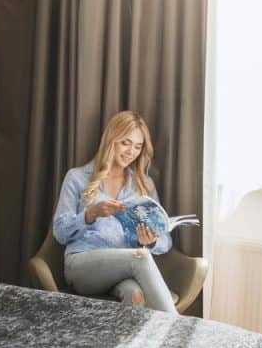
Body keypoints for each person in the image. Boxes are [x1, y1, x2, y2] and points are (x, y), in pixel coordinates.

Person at [52, 110, 177, 313]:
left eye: (138, 146)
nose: (131, 152)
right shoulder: (77, 177)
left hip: (123, 268)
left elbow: (165, 241)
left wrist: (150, 241)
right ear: (112, 141)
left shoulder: (144, 185)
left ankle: (133, 346)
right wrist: (89, 214)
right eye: (126, 143)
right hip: (83, 263)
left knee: (135, 294)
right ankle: (178, 331)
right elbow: (59, 232)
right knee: (141, 257)